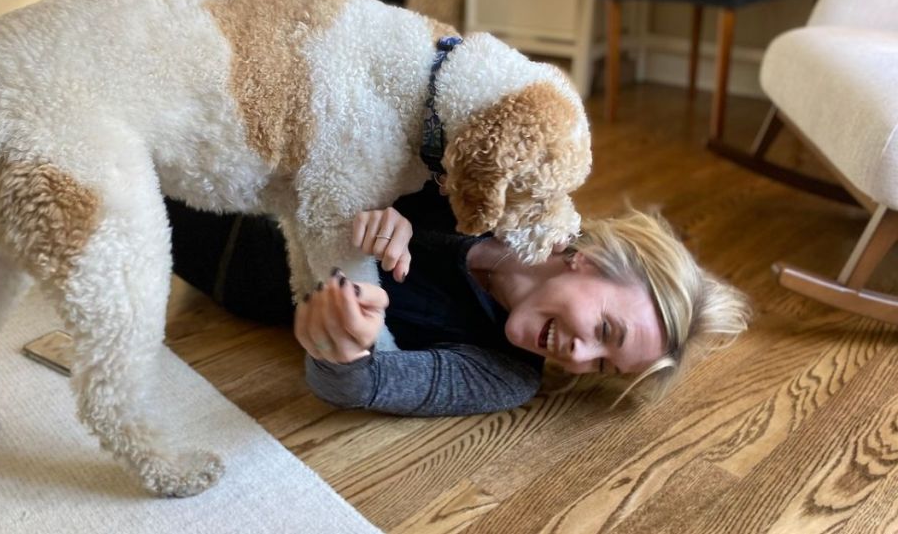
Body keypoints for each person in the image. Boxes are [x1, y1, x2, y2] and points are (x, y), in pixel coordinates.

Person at [165, 182, 750, 416]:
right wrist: (371, 190)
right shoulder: (504, 190)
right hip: (275, 159)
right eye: (605, 330)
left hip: (225, 251)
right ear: (591, 260)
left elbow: (360, 386)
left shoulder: (505, 375)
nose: (577, 354)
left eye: (602, 364)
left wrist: (343, 350)